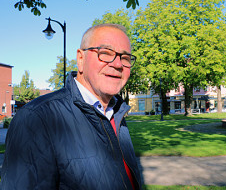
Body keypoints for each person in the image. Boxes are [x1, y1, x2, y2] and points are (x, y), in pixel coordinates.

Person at [1, 24, 141, 190]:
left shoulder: (116, 113)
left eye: (125, 58)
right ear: (80, 59)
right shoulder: (37, 118)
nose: (118, 64)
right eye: (105, 53)